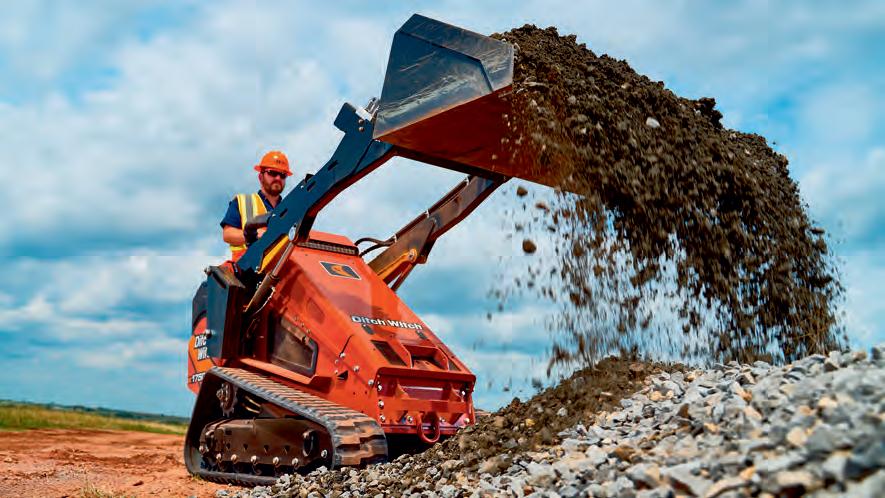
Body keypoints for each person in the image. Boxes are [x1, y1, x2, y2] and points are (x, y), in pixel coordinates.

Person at [221, 150, 292, 260]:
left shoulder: (290, 209)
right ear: (260, 177)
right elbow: (228, 235)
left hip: (283, 266)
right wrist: (255, 235)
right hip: (246, 266)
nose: (278, 178)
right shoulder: (243, 202)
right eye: (272, 173)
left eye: (282, 175)